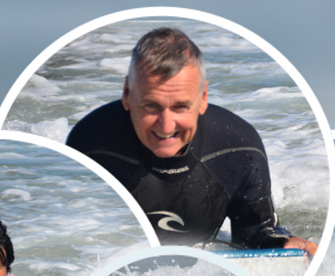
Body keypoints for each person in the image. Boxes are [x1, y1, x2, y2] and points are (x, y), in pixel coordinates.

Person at [66, 27, 317, 254]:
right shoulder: (89, 145)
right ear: (126, 94)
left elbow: (255, 235)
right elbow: (69, 240)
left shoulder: (238, 148)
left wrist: (284, 244)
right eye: (151, 106)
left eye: (180, 107)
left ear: (203, 97)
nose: (165, 126)